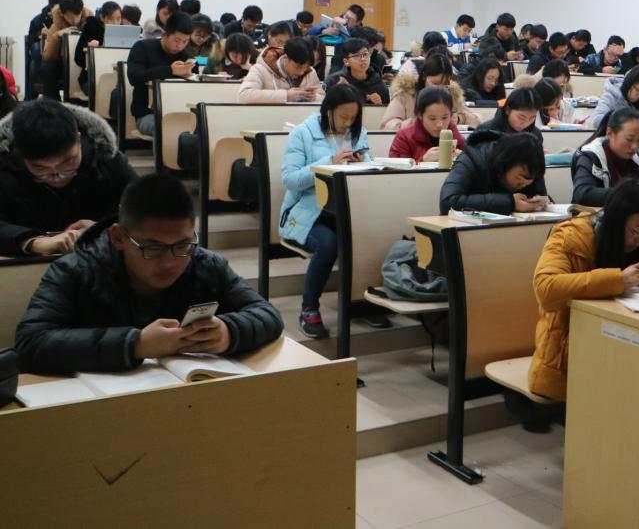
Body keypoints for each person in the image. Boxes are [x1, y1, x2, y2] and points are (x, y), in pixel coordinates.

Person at [15, 173, 283, 374]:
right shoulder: (75, 270)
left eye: (182, 245)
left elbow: (266, 314)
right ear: (118, 237)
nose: (170, 262)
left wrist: (229, 332)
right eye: (153, 248)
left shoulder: (206, 264)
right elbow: (30, 344)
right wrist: (135, 344)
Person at [529, 180, 639, 400]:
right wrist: (616, 280)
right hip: (565, 355)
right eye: (637, 230)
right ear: (616, 222)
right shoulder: (570, 236)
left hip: (621, 347)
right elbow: (545, 289)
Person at [280, 85, 370, 338]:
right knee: (328, 244)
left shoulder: (358, 133)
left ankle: (362, 304)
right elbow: (290, 179)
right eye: (343, 117)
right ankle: (309, 308)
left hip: (344, 210)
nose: (348, 123)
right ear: (328, 111)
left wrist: (362, 163)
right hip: (306, 213)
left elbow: (369, 167)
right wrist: (329, 163)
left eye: (353, 117)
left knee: (371, 235)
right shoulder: (302, 133)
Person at [0, 99, 137, 257]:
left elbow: (148, 210)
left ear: (78, 140)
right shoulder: (4, 167)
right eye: (40, 168)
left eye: (68, 162)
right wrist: (32, 242)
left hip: (98, 260)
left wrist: (104, 228)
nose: (57, 176)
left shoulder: (107, 159)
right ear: (19, 153)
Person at [572, 108, 639, 206]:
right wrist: (634, 192)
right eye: (629, 139)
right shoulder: (591, 156)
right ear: (610, 133)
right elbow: (583, 194)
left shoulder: (636, 159)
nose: (634, 147)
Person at [439, 131, 550, 215]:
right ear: (506, 163)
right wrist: (510, 203)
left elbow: (541, 196)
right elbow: (448, 203)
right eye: (519, 180)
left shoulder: (532, 168)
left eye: (529, 182)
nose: (523, 185)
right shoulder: (470, 160)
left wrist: (542, 203)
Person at [127, 11, 196, 135]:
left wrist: (191, 73)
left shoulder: (185, 55)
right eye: (176, 40)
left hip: (179, 112)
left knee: (202, 129)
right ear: (165, 34)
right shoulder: (142, 47)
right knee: (167, 129)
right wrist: (170, 70)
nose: (180, 46)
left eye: (185, 41)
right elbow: (134, 77)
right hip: (147, 114)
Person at [381, 50, 479, 131]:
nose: (439, 89)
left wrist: (459, 118)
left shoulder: (451, 94)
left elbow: (477, 120)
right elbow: (387, 125)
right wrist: (416, 123)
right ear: (424, 76)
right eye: (435, 83)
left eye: (445, 85)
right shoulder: (406, 94)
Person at [389, 86, 467, 162]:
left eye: (444, 118)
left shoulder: (455, 136)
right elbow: (395, 168)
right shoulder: (404, 138)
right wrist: (422, 160)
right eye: (432, 118)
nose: (439, 124)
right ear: (420, 115)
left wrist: (463, 158)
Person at [238, 37, 323, 104]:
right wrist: (286, 95)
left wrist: (313, 97)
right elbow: (244, 95)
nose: (301, 72)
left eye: (306, 67)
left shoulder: (310, 71)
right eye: (298, 67)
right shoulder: (260, 69)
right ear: (286, 58)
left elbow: (323, 98)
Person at [40, 0, 88, 98]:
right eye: (70, 17)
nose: (75, 21)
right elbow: (47, 56)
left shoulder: (89, 21)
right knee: (47, 67)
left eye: (78, 16)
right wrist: (57, 35)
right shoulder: (56, 26)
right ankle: (52, 102)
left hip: (84, 62)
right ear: (62, 14)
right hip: (62, 63)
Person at [587, 65, 639, 130]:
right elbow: (597, 120)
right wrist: (627, 121)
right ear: (629, 83)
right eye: (638, 90)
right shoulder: (611, 95)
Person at [327, 38, 389, 105]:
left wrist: (379, 106)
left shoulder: (379, 84)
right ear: (346, 61)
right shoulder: (335, 81)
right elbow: (326, 107)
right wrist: (336, 93)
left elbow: (386, 109)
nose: (363, 59)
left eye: (365, 54)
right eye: (356, 55)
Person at [74, 1, 122, 88]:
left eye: (118, 19)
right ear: (102, 17)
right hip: (90, 79)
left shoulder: (122, 33)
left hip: (116, 78)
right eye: (111, 19)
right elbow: (78, 58)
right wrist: (91, 50)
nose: (115, 23)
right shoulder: (91, 28)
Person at [473, 87, 543, 142]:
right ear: (507, 110)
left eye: (532, 118)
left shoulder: (535, 135)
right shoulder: (485, 131)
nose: (526, 124)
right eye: (521, 117)